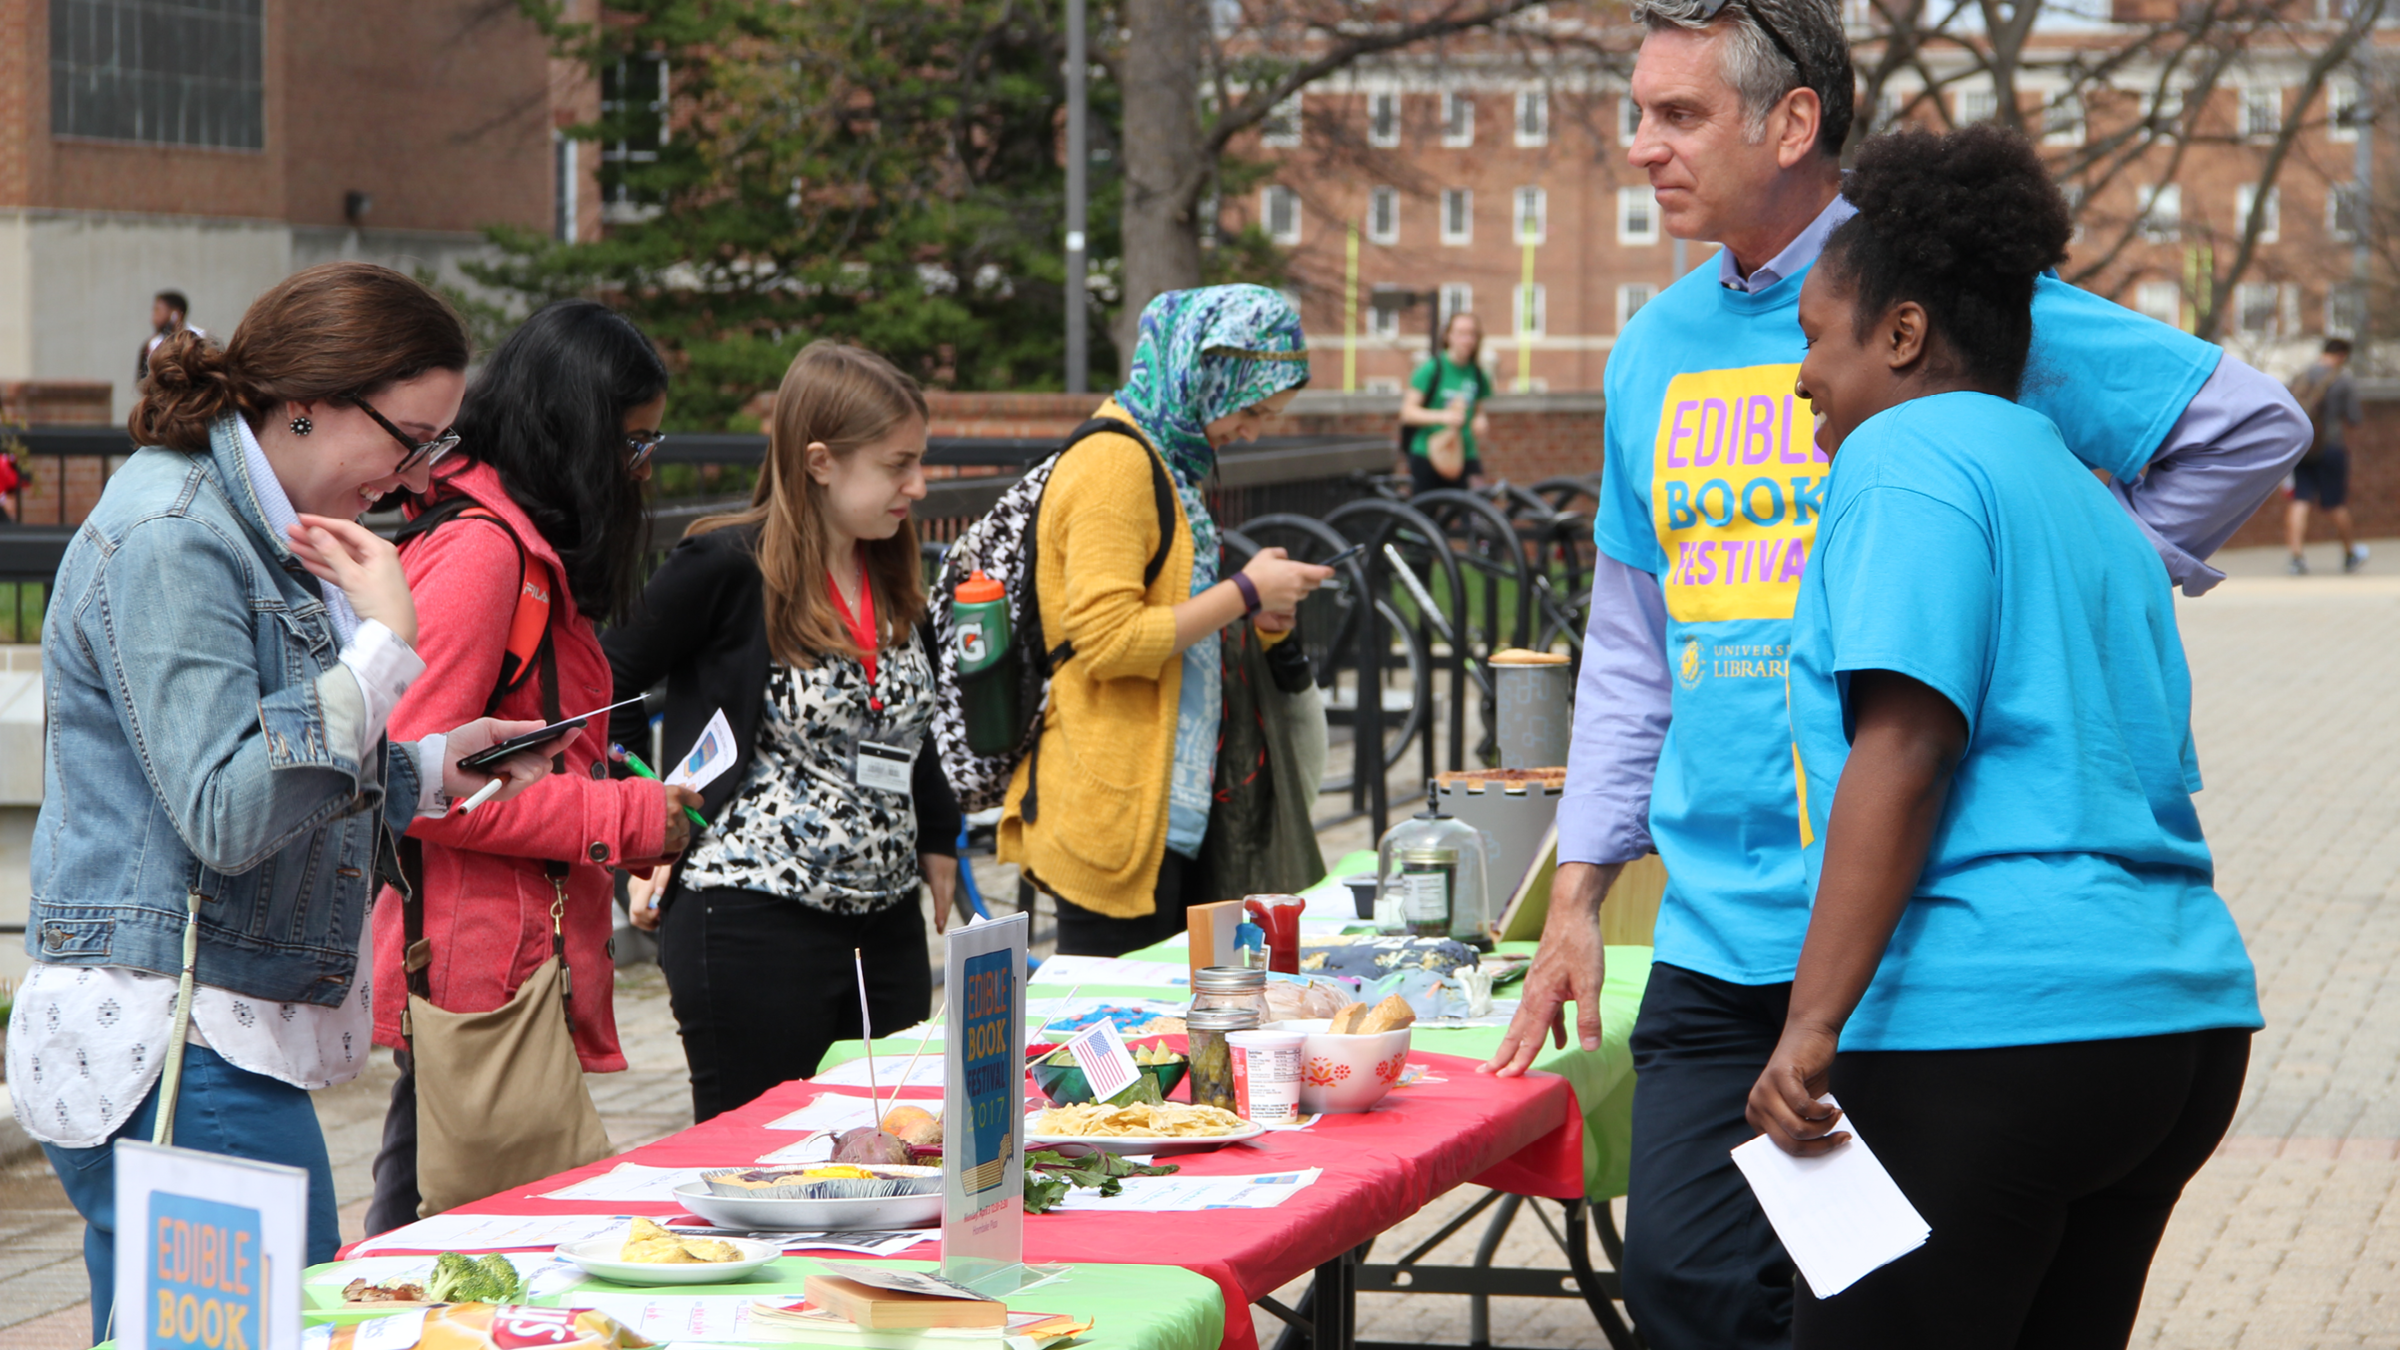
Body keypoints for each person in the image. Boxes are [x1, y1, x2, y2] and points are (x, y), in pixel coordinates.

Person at [1478, 0, 2309, 1344]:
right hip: (1736, 929)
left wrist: (2064, 583)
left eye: (1676, 114)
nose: (1641, 148)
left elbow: (2249, 424)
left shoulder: (1940, 332)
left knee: (1867, 1294)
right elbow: (1635, 650)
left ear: (1791, 120)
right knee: (1696, 1279)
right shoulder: (1653, 353)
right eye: (1640, 112)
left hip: (1918, 940)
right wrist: (1579, 887)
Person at [1749, 124, 2260, 1348]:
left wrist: (1809, 1025)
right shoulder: (2086, 492)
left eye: (1817, 335)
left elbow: (1907, 750)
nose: (1804, 373)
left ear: (1905, 334)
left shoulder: (1903, 455)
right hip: (2174, 1031)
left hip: (1997, 1029)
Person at [4, 262, 556, 1340]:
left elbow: (251, 779)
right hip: (173, 1040)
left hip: (192, 1036)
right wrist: (386, 651)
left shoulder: (251, 523)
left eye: (440, 449)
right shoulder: (176, 533)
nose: (414, 481)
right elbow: (224, 809)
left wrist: (431, 768)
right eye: (412, 439)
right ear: (308, 401)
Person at [363, 300, 701, 1232]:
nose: (642, 468)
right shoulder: (485, 552)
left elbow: (523, 751)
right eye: (633, 444)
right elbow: (417, 784)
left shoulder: (514, 542)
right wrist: (626, 819)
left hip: (499, 970)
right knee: (458, 1257)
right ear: (577, 435)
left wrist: (621, 810)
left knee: (439, 1241)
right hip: (481, 983)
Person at [602, 341, 962, 1123]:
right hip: (752, 915)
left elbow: (906, 723)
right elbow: (604, 682)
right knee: (758, 1166)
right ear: (822, 462)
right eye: (898, 465)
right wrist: (642, 820)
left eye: (919, 461)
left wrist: (937, 833)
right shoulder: (726, 565)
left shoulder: (891, 566)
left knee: (893, 1151)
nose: (918, 485)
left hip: (885, 918)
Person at [997, 284, 1333, 956]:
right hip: (1115, 814)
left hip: (1164, 811)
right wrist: (1243, 588)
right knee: (1120, 1051)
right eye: (1251, 409)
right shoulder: (1116, 465)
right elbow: (1109, 642)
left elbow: (1170, 617)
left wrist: (1255, 604)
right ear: (1206, 377)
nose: (1252, 431)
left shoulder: (1170, 459)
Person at [2285, 336, 2368, 575]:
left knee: (2300, 499)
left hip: (2301, 447)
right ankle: (2350, 553)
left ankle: (2296, 557)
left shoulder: (2301, 375)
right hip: (2330, 446)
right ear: (2342, 355)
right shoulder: (2343, 380)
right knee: (2335, 503)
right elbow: (2354, 418)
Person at [1397, 310, 1495, 494]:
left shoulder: (1477, 374)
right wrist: (1443, 416)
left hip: (1465, 453)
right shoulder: (1432, 369)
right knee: (1425, 514)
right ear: (1448, 336)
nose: (1467, 340)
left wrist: (1480, 419)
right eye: (1461, 333)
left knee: (1475, 511)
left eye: (1472, 334)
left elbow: (1478, 409)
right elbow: (1408, 412)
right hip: (1429, 452)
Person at [138, 289, 203, 384]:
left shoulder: (201, 339)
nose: (153, 317)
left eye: (157, 310)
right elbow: (142, 381)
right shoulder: (151, 345)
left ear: (175, 314)